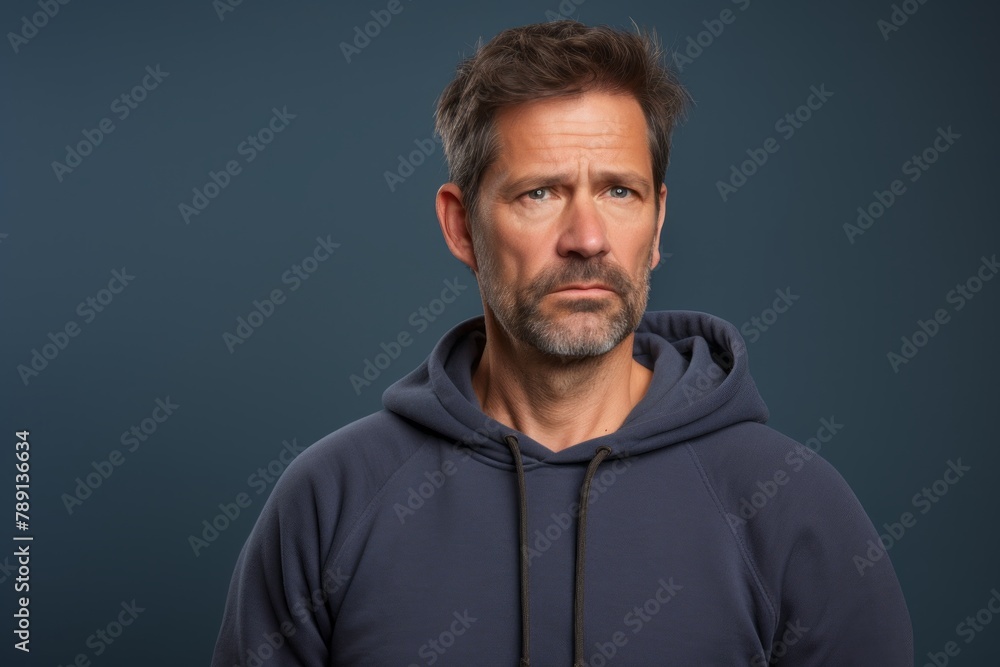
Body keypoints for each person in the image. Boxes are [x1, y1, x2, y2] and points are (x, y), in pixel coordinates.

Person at [211, 20, 913, 666]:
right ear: (461, 228)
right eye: (540, 193)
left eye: (619, 191)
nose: (586, 238)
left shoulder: (795, 508)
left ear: (659, 221)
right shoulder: (329, 501)